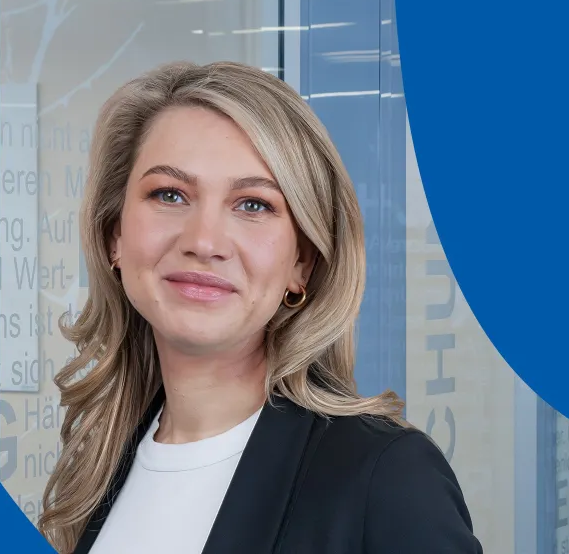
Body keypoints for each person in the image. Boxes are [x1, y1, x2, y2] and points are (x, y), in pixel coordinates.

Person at [38, 61, 483, 554]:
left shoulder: (387, 477)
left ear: (302, 262)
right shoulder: (99, 467)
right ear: (114, 237)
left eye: (253, 204)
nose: (204, 241)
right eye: (170, 194)